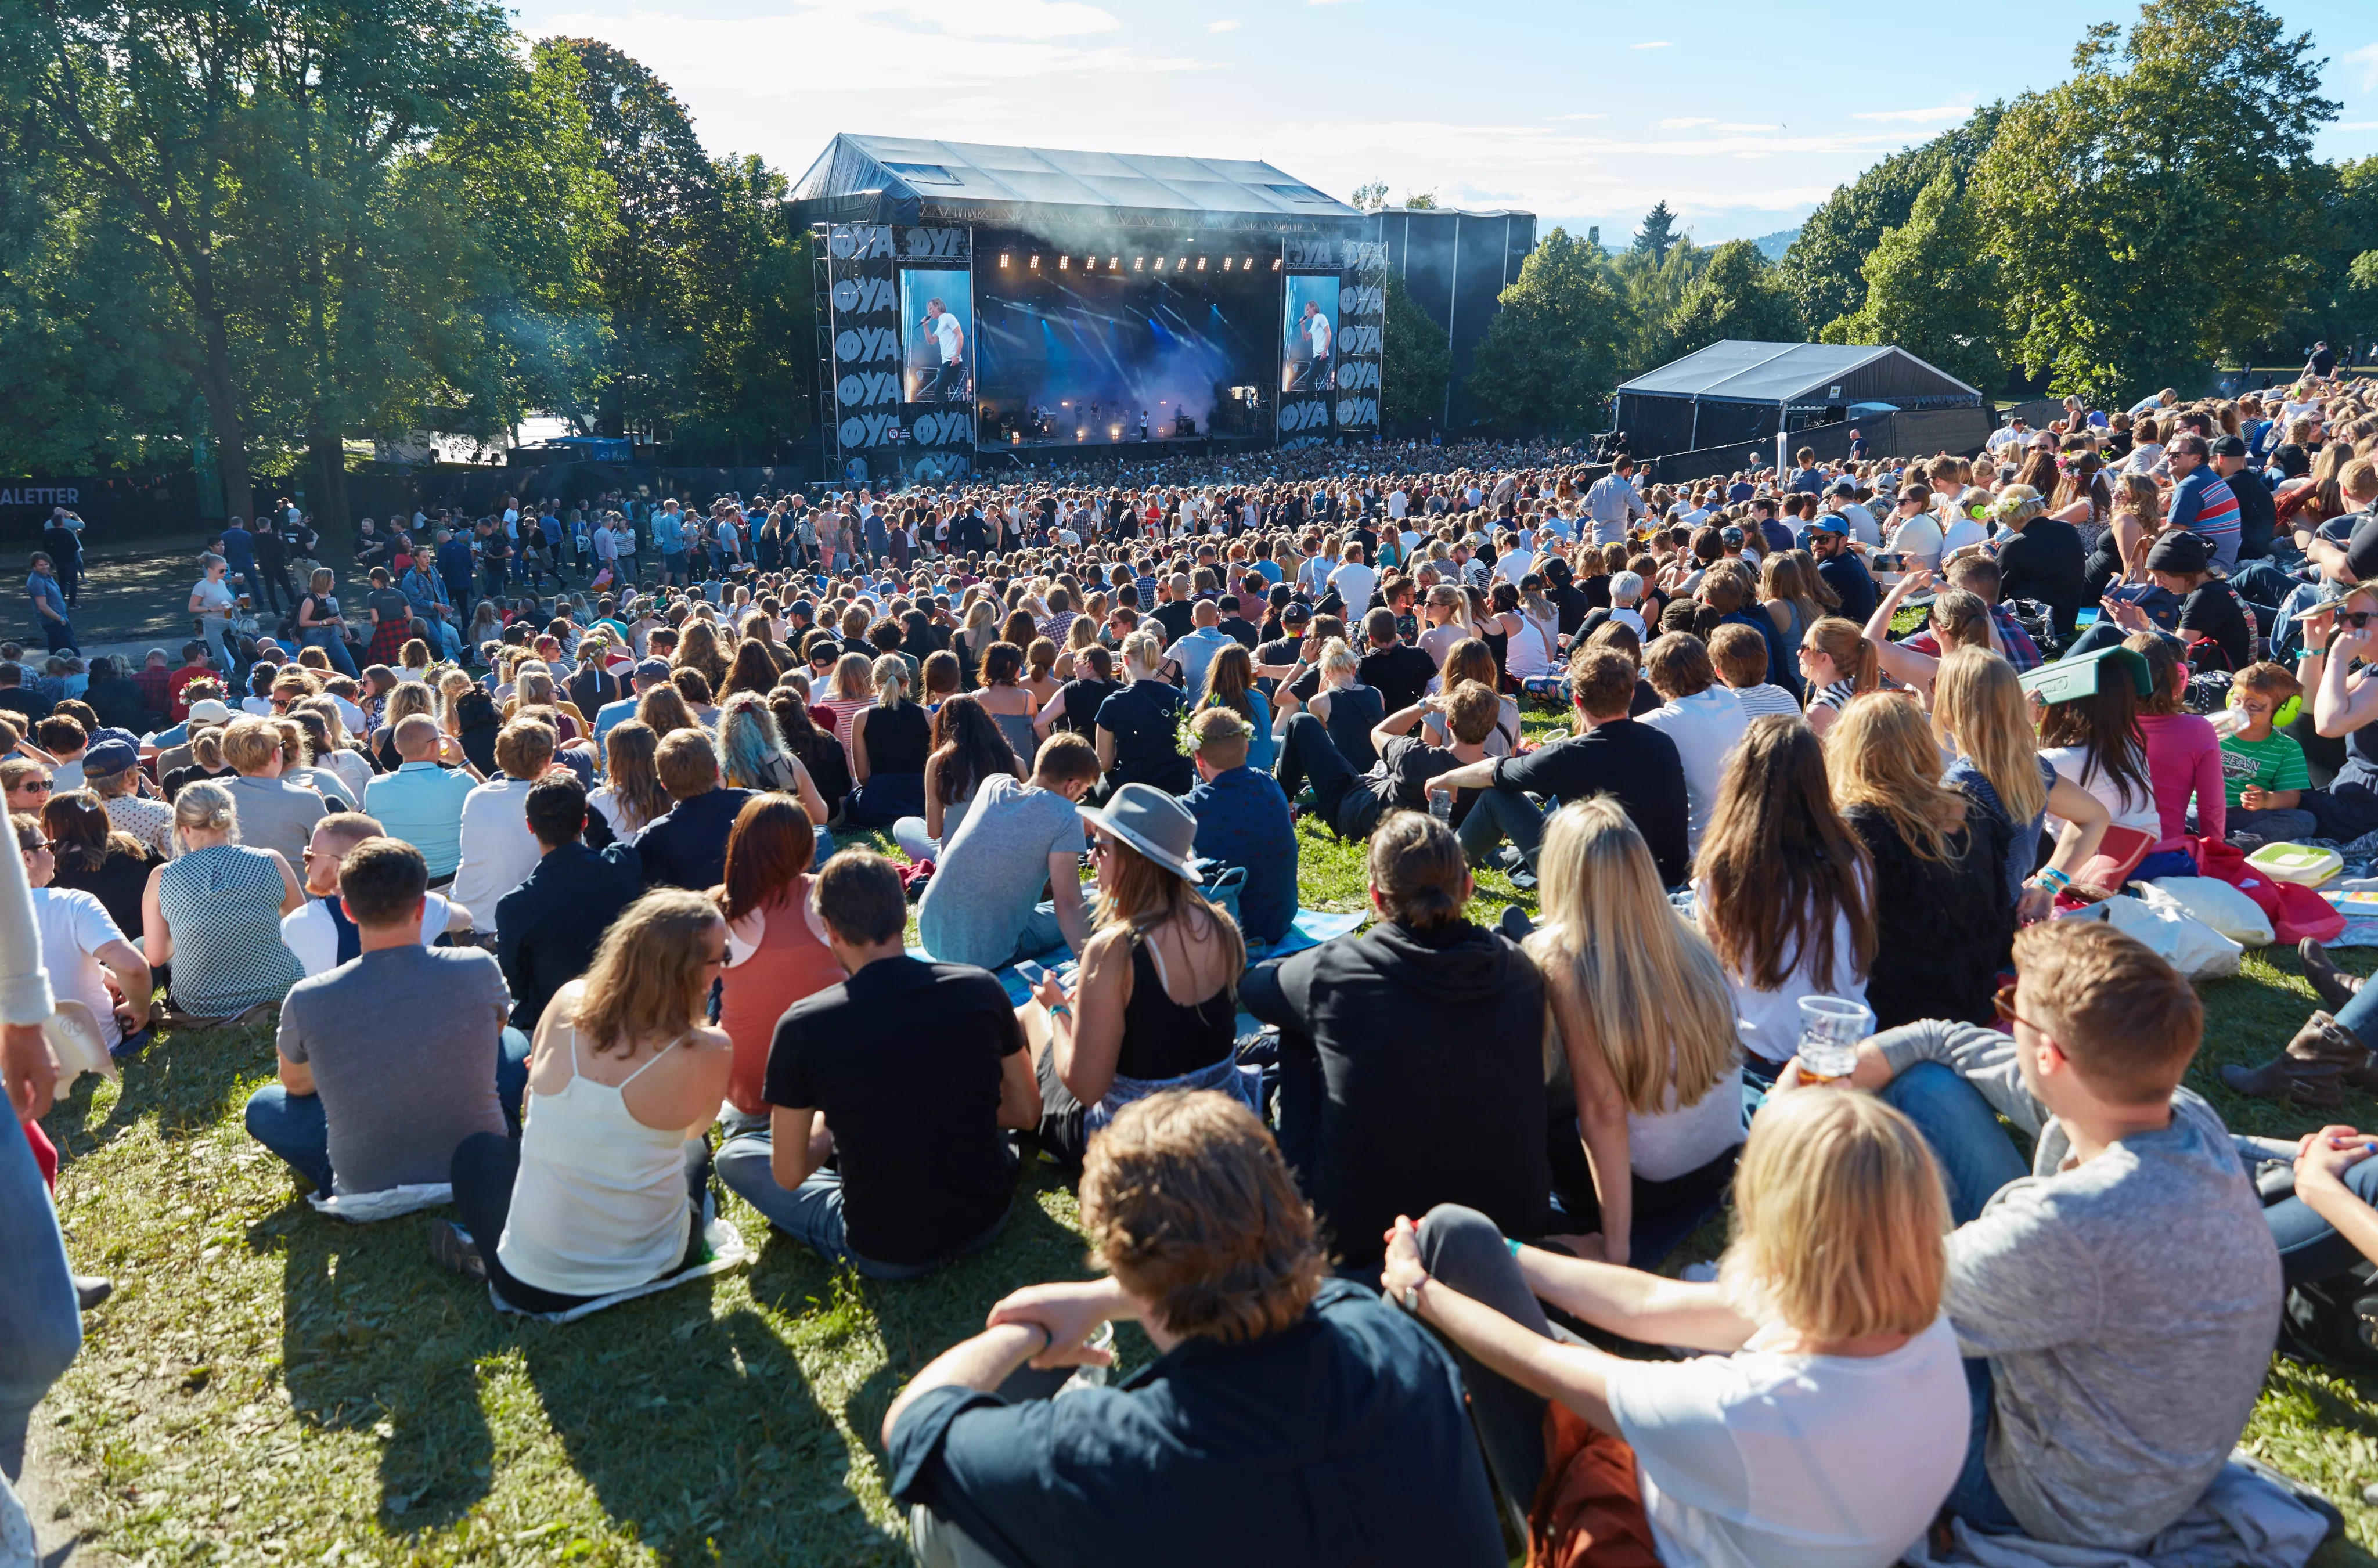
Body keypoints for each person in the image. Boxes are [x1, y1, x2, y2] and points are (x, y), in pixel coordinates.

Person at [1804, 918, 2281, 1549]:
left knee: (1862, 1332)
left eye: (2011, 1009)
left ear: (2050, 1055)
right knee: (1925, 1083)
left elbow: (1849, 1310)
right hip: (2135, 1450)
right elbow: (1943, 1039)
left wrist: (1797, 1150)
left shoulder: (2068, 1227)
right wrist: (1849, 1070)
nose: (2003, 1025)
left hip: (2045, 1498)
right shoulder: (2174, 1110)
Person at [884, 1090, 1506, 1568]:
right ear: (1287, 1211)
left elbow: (913, 1426)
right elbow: (1319, 1290)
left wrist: (1023, 1333)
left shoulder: (1108, 1451)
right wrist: (1105, 1297)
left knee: (945, 1516)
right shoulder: (1390, 1339)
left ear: (1125, 1260)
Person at [1383, 1088, 1965, 1568]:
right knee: (1462, 1237)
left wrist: (1420, 1289)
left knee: (1451, 1240)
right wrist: (1508, 1251)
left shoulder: (1750, 1409)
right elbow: (1653, 1302)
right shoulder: (1920, 1330)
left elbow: (1541, 1363)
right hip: (1752, 1520)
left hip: (1631, 1531)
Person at [1242, 810, 1550, 1270]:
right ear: (1467, 886)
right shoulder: (1519, 969)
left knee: (1299, 1032)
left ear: (1375, 898)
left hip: (1362, 1231)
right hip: (1508, 1218)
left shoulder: (1338, 972)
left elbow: (1254, 988)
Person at [718, 849, 1037, 1278]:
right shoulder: (980, 987)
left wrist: (837, 1117)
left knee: (736, 1153)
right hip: (988, 1215)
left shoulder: (803, 1025)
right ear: (903, 915)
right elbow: (1026, 1112)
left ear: (829, 930)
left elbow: (790, 1171)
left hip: (885, 1248)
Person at [441, 888, 729, 1309]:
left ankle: (493, 1251)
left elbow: (529, 1104)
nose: (723, 969)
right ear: (688, 971)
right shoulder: (710, 1047)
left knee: (476, 1155)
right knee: (694, 1151)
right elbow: (693, 1130)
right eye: (722, 957)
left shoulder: (566, 1000)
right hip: (655, 1263)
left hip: (530, 1285)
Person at [1523, 797, 1745, 1266]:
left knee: (1540, 1103)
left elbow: (1603, 1108)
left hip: (1649, 1182)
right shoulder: (1689, 939)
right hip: (1719, 1165)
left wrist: (1618, 1248)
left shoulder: (1565, 960)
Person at [243, 837, 524, 1195]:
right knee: (514, 1041)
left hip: (365, 1180)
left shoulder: (307, 998)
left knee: (265, 1105)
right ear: (424, 907)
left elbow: (297, 1085)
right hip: (478, 1159)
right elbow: (494, 1032)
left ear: (347, 910)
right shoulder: (478, 967)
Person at [1022, 783, 1248, 1163]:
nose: (1092, 858)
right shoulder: (1221, 924)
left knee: (1031, 1012)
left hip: (1139, 1137)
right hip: (1218, 1116)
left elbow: (1088, 1089)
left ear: (1135, 861)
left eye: (1102, 848)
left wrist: (1057, 1009)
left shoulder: (1114, 950)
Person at [1695, 715, 1877, 1076]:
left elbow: (1712, 971)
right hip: (1847, 1050)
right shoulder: (1854, 859)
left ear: (1741, 777)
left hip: (1763, 1056)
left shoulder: (1722, 868)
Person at [1434, 647, 1691, 887]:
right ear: (1632, 694)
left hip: (1592, 884)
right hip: (1664, 878)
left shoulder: (1569, 755)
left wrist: (1447, 777)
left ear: (1577, 701)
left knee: (1495, 797)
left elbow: (1495, 771)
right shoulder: (1662, 742)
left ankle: (1445, 867)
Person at [1831, 694, 2012, 1030]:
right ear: (1921, 743)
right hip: (1977, 996)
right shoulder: (1971, 809)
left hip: (1902, 1015)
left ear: (1851, 751)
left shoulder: (1860, 824)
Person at [1931, 647, 2111, 916]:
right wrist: (2048, 885)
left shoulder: (1960, 782)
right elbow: (2096, 817)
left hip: (1963, 936)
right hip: (2008, 925)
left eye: (1935, 685)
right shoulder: (2030, 767)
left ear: (1951, 704)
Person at [706, 796, 843, 1121]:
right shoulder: (834, 894)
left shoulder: (718, 908)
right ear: (806, 844)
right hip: (831, 1084)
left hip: (751, 1090)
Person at [916, 733, 1098, 971]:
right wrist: (1093, 974)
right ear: (1072, 786)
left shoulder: (993, 784)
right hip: (984, 953)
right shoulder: (1065, 816)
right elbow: (1068, 904)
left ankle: (1090, 890)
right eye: (1081, 794)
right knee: (1096, 905)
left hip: (933, 932)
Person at [140, 781, 304, 1021]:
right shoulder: (272, 861)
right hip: (279, 990)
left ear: (183, 829)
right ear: (232, 818)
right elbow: (301, 926)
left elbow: (156, 956)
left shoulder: (162, 876)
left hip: (199, 1003)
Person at [495, 774, 644, 1030]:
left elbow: (516, 982)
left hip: (559, 1022)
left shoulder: (516, 904)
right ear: (584, 822)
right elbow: (611, 843)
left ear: (530, 826)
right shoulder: (623, 865)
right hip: (628, 1013)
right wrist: (588, 813)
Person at [17, 813, 152, 1057]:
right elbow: (134, 967)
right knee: (142, 945)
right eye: (48, 846)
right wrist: (140, 1010)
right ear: (27, 858)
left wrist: (102, 973)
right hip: (95, 1048)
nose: (53, 852)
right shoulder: (73, 903)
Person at [280, 812, 474, 977]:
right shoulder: (422, 906)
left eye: (310, 856)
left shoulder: (300, 922)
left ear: (340, 865)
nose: (306, 863)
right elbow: (465, 919)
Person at [1180, 706, 1296, 947]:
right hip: (1281, 920)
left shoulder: (1194, 804)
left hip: (1233, 928)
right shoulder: (1269, 783)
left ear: (1199, 759)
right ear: (1246, 747)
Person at [1636, 632, 1747, 855]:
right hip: (1745, 834)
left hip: (1699, 850)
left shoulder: (1659, 722)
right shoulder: (1727, 696)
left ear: (1656, 679)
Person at [449, 719, 557, 933]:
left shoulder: (477, 796)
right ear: (548, 759)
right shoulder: (553, 801)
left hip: (468, 920)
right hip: (518, 926)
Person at [894, 694, 1021, 864]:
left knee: (904, 824)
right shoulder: (1014, 762)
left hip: (955, 863)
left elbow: (933, 832)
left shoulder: (938, 763)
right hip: (1006, 860)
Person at [635, 729, 755, 892]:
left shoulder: (656, 834)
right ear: (716, 771)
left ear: (664, 784)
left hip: (697, 914)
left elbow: (631, 882)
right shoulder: (756, 805)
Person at [362, 715, 477, 884]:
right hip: (453, 883)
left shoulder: (375, 787)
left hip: (402, 887)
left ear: (397, 748)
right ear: (436, 745)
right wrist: (462, 761)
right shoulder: (461, 780)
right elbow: (492, 800)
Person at [41, 785, 158, 942]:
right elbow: (168, 873)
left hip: (99, 951)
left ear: (58, 826)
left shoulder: (55, 867)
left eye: (44, 824)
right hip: (151, 937)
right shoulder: (132, 845)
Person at [2220, 661, 2317, 841]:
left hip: (2246, 817)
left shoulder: (2287, 749)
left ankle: (2230, 846)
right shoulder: (2212, 732)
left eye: (2253, 707)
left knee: (2304, 820)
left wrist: (2267, 799)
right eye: (2237, 701)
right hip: (2201, 809)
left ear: (2281, 713)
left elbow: (2291, 798)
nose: (2241, 710)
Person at [217, 715, 329, 871]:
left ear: (229, 757)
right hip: (299, 893)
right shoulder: (307, 799)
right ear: (277, 753)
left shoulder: (213, 793)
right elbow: (327, 855)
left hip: (235, 893)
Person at [1095, 630, 1192, 794]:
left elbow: (1104, 763)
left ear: (1125, 659)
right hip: (1177, 785)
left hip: (1136, 787)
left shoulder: (1113, 703)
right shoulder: (1175, 695)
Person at [844, 654, 929, 827]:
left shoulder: (861, 718)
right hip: (919, 801)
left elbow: (861, 776)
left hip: (878, 803)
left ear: (875, 684)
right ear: (906, 682)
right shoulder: (927, 715)